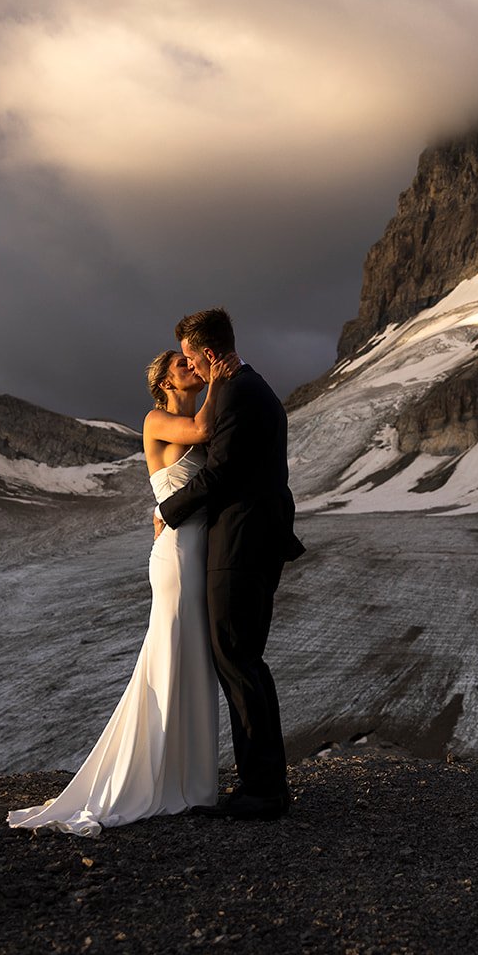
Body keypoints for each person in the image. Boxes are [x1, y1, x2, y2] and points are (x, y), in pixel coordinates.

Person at [8, 349, 234, 836]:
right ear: (164, 385)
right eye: (182, 367)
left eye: (194, 365)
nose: (191, 370)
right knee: (171, 652)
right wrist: (218, 376)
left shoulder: (188, 411)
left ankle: (193, 783)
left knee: (193, 657)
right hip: (176, 554)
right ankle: (157, 778)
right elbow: (202, 434)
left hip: (196, 546)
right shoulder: (157, 418)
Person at [156, 307, 305, 821]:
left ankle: (262, 791)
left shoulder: (239, 392)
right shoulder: (253, 387)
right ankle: (267, 785)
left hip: (240, 544)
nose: (191, 369)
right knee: (247, 659)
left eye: (194, 359)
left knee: (237, 657)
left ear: (210, 355)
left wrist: (166, 510)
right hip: (255, 539)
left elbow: (218, 472)